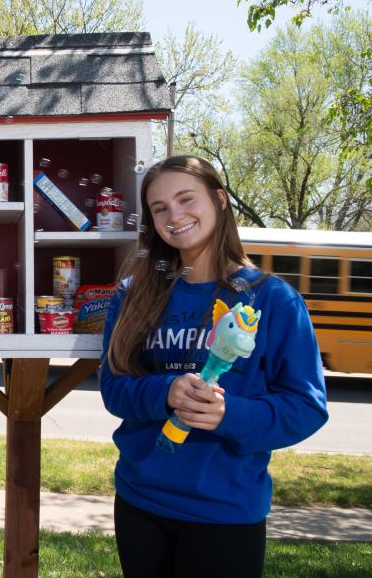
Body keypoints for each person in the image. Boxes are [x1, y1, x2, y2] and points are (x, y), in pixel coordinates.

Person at [98, 155, 328, 578]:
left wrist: (228, 413)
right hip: (140, 503)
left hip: (226, 512)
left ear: (220, 200)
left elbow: (307, 407)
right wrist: (164, 392)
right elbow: (114, 388)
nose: (175, 216)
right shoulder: (133, 294)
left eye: (187, 199)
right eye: (160, 208)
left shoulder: (273, 300)